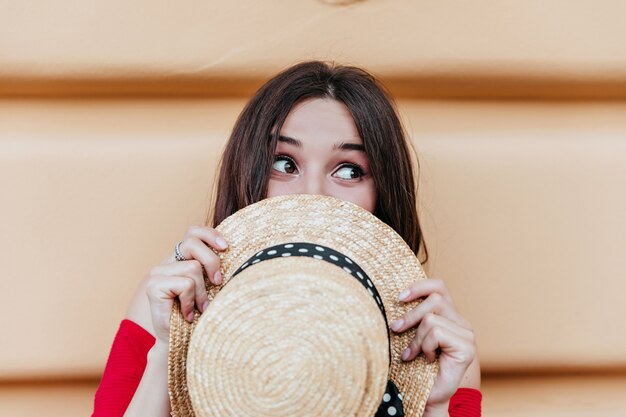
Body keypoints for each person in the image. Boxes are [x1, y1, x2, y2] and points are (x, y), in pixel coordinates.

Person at [92, 61, 482, 417]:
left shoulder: (436, 337)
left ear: (383, 191)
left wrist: (434, 405)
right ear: (248, 172)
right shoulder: (169, 299)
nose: (312, 193)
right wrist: (167, 351)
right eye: (284, 164)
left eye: (348, 170)